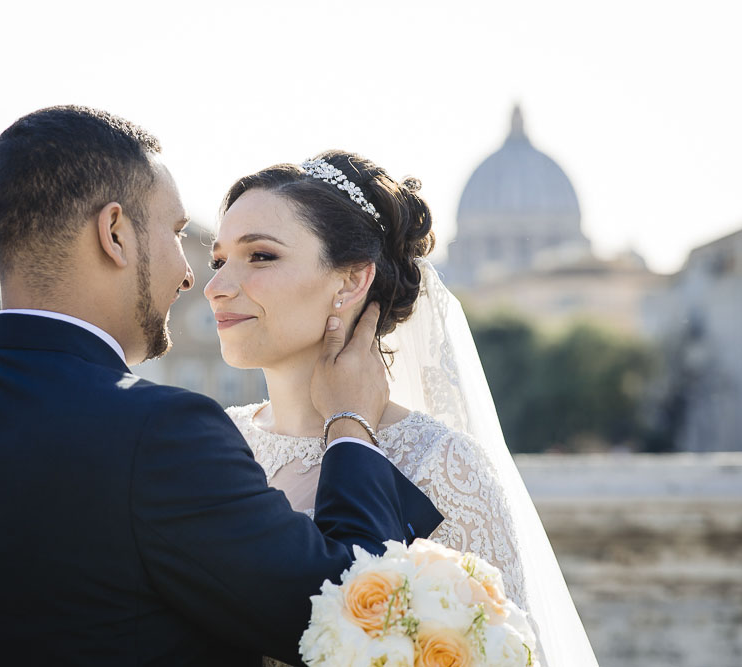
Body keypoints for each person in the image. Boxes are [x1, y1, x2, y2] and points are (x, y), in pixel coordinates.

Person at [0, 107, 443, 667]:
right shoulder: (161, 435)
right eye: (176, 234)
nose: (193, 276)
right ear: (114, 233)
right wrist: (349, 423)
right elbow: (362, 618)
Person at [204, 151, 600, 667]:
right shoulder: (211, 442)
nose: (216, 288)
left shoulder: (444, 467)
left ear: (350, 281)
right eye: (217, 261)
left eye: (260, 256)